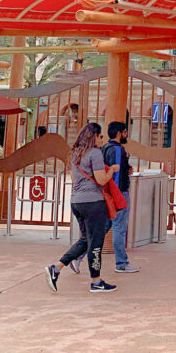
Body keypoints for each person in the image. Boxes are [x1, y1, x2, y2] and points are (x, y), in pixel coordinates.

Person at [45, 123, 118, 293]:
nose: (102, 140)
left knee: (86, 240)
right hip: (93, 203)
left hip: (77, 202)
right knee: (96, 244)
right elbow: (101, 180)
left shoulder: (75, 154)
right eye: (100, 136)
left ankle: (56, 269)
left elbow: (75, 178)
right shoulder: (95, 153)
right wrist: (112, 170)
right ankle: (96, 282)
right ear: (94, 137)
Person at [102, 121, 139, 274]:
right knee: (119, 228)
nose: (126, 135)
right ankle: (121, 263)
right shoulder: (117, 149)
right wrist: (117, 197)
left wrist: (126, 170)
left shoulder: (104, 148)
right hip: (117, 194)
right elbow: (115, 173)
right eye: (124, 132)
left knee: (102, 228)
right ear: (119, 133)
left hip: (107, 193)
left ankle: (77, 256)